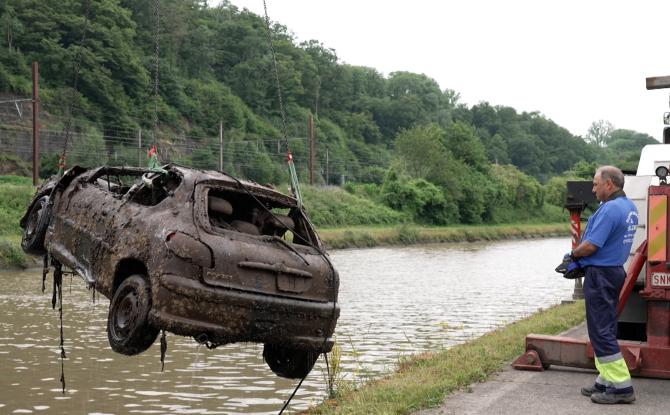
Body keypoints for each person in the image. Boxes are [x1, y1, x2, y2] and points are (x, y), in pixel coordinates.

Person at [567, 165, 638, 404]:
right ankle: (606, 379)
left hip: (601, 275)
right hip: (614, 271)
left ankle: (621, 388)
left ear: (609, 184)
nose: (593, 188)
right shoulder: (629, 207)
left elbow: (591, 245)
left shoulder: (609, 210)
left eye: (596, 184)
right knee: (604, 328)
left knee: (601, 331)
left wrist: (573, 256)